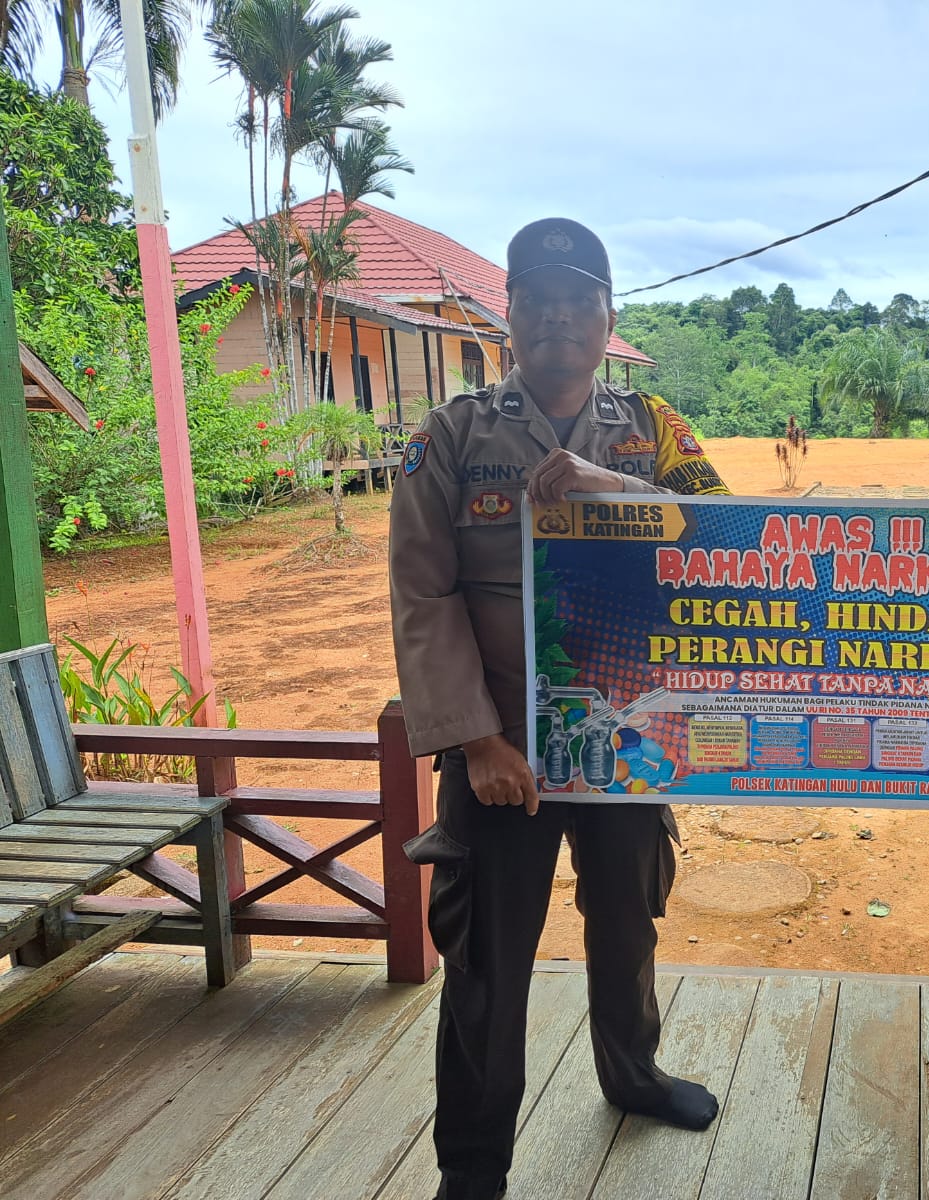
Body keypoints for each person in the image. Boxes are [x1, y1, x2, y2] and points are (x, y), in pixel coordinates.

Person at [389, 218, 730, 1200]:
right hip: (501, 756)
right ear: (511, 315)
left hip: (626, 740)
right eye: (536, 299)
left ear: (606, 318)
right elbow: (424, 594)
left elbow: (723, 539)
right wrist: (477, 740)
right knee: (486, 964)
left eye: (578, 300)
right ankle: (474, 1161)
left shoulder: (654, 428)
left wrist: (612, 488)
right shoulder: (453, 435)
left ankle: (633, 1076)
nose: (557, 317)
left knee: (627, 926)